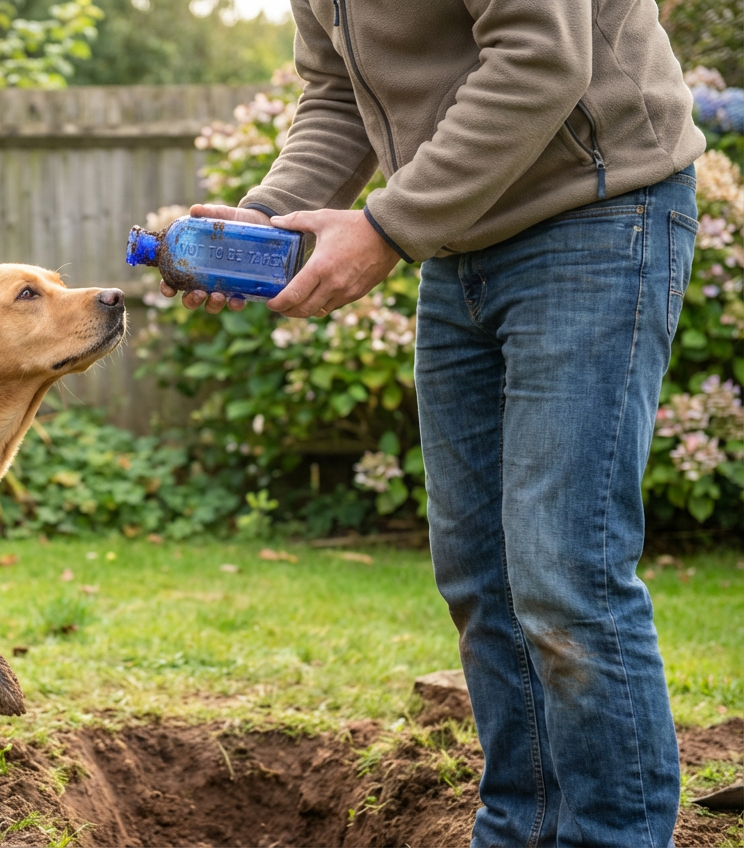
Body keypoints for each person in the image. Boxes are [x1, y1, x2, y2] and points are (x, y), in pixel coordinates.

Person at [160, 2, 705, 845]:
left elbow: (540, 56)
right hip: (460, 238)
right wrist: (269, 215)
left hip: (597, 211)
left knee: (567, 572)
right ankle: (518, 830)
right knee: (482, 578)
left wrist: (384, 229)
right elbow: (337, 95)